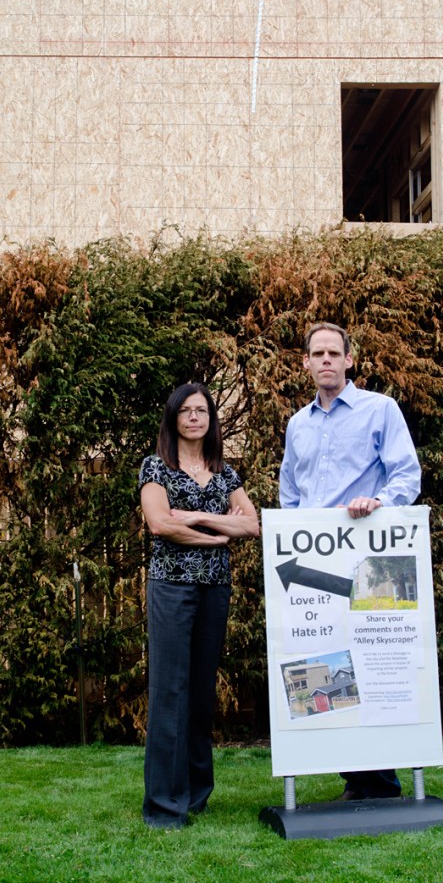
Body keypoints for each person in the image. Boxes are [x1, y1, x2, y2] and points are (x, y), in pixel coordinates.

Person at [279, 322, 421, 801]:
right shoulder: (297, 425)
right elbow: (290, 492)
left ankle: (379, 781)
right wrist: (291, 538)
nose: (326, 360)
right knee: (326, 663)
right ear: (305, 363)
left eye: (333, 353)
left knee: (372, 661)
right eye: (317, 353)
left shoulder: (380, 409)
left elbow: (406, 475)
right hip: (313, 563)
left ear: (349, 360)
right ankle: (356, 779)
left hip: (367, 557)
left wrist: (379, 502)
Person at [139, 382, 259, 829]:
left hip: (214, 589)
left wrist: (195, 517)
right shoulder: (156, 467)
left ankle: (195, 795)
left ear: (211, 419)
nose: (194, 417)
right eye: (186, 411)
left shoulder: (225, 473)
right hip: (172, 587)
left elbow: (252, 525)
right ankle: (164, 805)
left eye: (201, 410)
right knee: (169, 691)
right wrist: (216, 536)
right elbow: (159, 524)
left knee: (201, 693)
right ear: (173, 419)